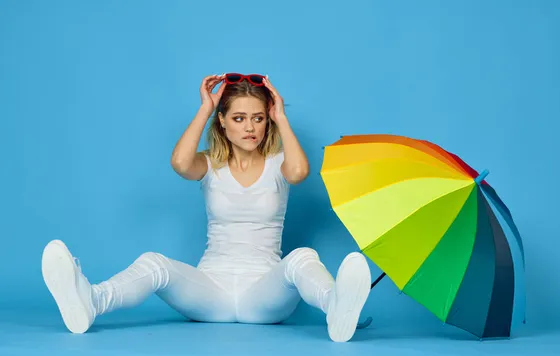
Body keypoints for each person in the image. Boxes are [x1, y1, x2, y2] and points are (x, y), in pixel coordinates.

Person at [41, 73, 372, 342]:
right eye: (239, 118)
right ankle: (91, 301)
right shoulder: (210, 164)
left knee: (303, 257)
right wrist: (205, 108)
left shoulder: (280, 163)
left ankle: (337, 306)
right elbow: (180, 163)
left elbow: (300, 173)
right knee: (153, 263)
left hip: (264, 295)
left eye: (258, 119)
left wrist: (280, 115)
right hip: (211, 289)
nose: (250, 127)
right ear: (223, 123)